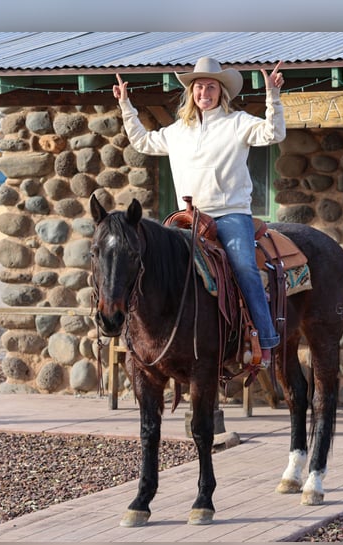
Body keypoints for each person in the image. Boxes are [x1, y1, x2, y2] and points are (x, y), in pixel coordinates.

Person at [112, 56, 286, 367]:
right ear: (191, 93)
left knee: (245, 267)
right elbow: (141, 141)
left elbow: (273, 135)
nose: (204, 92)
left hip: (230, 214)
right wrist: (126, 105)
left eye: (210, 86)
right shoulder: (178, 131)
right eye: (198, 87)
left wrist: (272, 96)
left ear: (221, 92)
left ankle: (266, 340)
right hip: (188, 217)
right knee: (160, 270)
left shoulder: (239, 123)